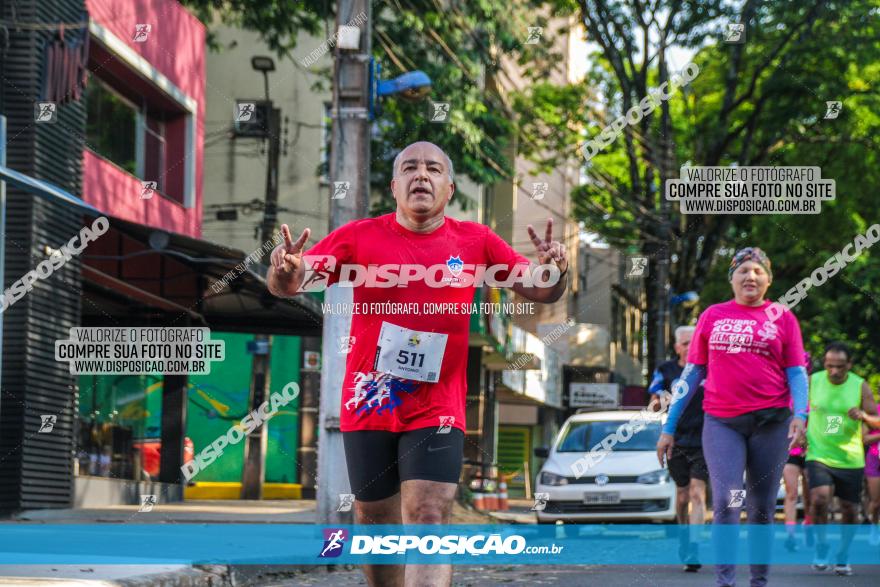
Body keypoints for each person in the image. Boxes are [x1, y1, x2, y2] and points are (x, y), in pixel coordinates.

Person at [267, 141, 569, 587]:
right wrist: (284, 269)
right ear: (394, 186)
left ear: (449, 188)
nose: (421, 175)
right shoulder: (360, 236)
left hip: (437, 403)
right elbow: (292, 282)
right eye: (410, 168)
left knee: (429, 516)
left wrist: (555, 269)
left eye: (432, 169)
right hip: (370, 399)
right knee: (375, 521)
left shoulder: (476, 241)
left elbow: (541, 290)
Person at [656, 247, 808, 587]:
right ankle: (725, 581)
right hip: (723, 421)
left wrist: (800, 413)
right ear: (732, 279)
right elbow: (691, 375)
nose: (750, 276)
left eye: (758, 271)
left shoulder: (783, 318)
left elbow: (796, 372)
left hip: (772, 422)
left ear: (768, 280)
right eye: (743, 271)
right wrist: (669, 427)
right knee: (726, 500)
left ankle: (759, 581)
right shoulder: (713, 316)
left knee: (762, 507)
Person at [806, 342, 879, 575]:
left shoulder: (860, 386)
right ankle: (821, 546)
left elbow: (877, 422)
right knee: (819, 498)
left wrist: (864, 416)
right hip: (819, 452)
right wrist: (797, 431)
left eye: (839, 367)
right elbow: (796, 410)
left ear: (849, 364)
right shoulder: (813, 380)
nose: (834, 372)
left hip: (850, 457)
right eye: (829, 366)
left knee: (850, 509)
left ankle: (843, 554)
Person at [647, 325, 707, 572]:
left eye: (693, 342)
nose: (689, 346)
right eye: (684, 343)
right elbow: (653, 403)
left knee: (697, 493)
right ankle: (684, 535)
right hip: (676, 440)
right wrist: (660, 402)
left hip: (705, 440)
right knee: (682, 496)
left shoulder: (709, 368)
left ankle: (694, 546)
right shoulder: (666, 370)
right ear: (676, 346)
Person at [783, 352, 814, 551]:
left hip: (814, 449)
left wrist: (812, 440)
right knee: (791, 492)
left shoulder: (818, 390)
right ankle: (791, 535)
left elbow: (831, 420)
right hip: (791, 450)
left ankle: (809, 527)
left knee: (813, 495)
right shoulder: (784, 390)